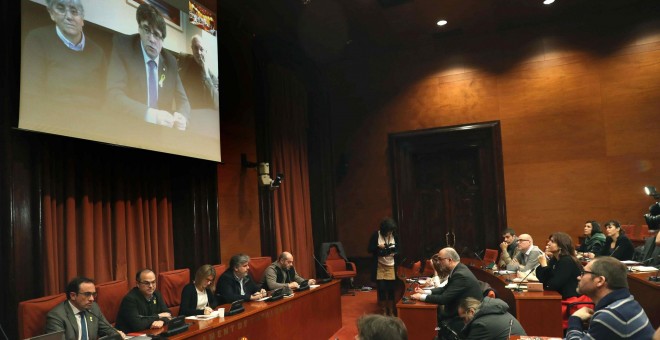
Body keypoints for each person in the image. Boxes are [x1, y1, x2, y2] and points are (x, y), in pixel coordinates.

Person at [106, 2, 190, 129]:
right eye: (146, 30)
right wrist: (151, 115)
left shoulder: (171, 61)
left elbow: (183, 101)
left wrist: (182, 117)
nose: (151, 38)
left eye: (156, 34)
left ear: (162, 41)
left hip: (160, 132)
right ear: (139, 29)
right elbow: (114, 95)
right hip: (127, 125)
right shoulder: (123, 46)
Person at [21, 0, 106, 115]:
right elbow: (32, 94)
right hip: (52, 121)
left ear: (82, 19)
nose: (69, 17)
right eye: (61, 9)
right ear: (52, 14)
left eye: (74, 11)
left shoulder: (98, 52)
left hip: (92, 123)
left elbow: (105, 97)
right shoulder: (37, 39)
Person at [566, 256, 654, 339]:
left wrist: (575, 320)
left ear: (600, 280)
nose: (578, 277)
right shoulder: (628, 301)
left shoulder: (610, 315)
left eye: (583, 273)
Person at [410, 247, 483, 334]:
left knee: (432, 322)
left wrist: (421, 297)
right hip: (458, 309)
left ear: (449, 260)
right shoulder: (458, 269)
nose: (438, 262)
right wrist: (425, 292)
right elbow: (445, 288)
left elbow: (443, 299)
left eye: (440, 259)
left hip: (464, 317)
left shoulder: (460, 275)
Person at [45, 277, 126, 340]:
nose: (92, 299)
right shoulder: (56, 316)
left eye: (93, 294)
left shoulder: (93, 307)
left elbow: (108, 330)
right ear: (73, 295)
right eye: (87, 294)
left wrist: (117, 335)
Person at [115, 269, 172, 333]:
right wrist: (158, 316)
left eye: (153, 282)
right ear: (138, 284)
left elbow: (168, 314)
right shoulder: (130, 300)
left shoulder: (156, 294)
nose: (151, 286)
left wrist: (162, 321)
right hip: (130, 336)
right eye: (146, 283)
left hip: (150, 333)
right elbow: (138, 325)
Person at [536, 232, 582, 299]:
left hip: (569, 300)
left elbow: (552, 285)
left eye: (552, 241)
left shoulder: (566, 261)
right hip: (557, 297)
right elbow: (542, 280)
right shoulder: (554, 260)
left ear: (561, 245)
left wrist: (544, 266)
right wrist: (543, 265)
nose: (548, 243)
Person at [368, 217, 399, 316]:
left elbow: (399, 248)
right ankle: (384, 311)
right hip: (380, 266)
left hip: (391, 265)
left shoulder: (395, 235)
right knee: (381, 288)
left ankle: (391, 310)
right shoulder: (376, 235)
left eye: (391, 231)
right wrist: (378, 247)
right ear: (384, 230)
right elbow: (369, 249)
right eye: (388, 231)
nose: (390, 233)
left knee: (390, 289)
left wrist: (395, 252)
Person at [179, 34, 219, 110]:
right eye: (195, 48)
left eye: (201, 49)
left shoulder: (212, 76)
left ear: (206, 51)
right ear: (192, 49)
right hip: (185, 109)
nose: (198, 52)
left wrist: (206, 73)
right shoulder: (184, 62)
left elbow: (216, 103)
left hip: (202, 113)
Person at [458, 297, 526, 340]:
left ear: (471, 311)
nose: (464, 322)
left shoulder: (481, 324)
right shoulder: (497, 311)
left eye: (463, 318)